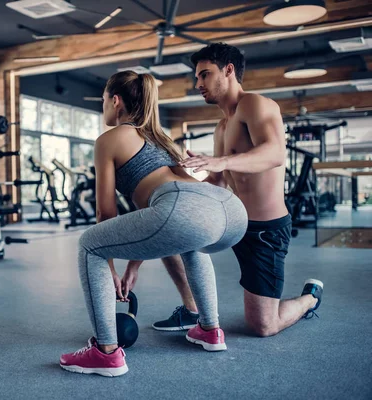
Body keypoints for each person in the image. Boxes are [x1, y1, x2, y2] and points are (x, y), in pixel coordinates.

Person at [59, 70, 248, 378]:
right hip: (229, 211)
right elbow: (160, 224)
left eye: (104, 100)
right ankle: (210, 330)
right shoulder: (162, 139)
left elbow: (105, 215)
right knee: (189, 239)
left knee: (88, 244)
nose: (103, 106)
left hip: (182, 206)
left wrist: (108, 267)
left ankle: (105, 352)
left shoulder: (109, 140)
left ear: (115, 101)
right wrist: (133, 267)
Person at [148, 43, 324, 337]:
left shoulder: (255, 104)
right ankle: (192, 310)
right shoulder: (221, 126)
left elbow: (275, 154)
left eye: (204, 75)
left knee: (263, 326)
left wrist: (220, 161)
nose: (198, 84)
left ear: (228, 70)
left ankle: (310, 298)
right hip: (234, 223)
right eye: (197, 77)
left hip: (265, 231)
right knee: (175, 231)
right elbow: (218, 182)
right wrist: (175, 179)